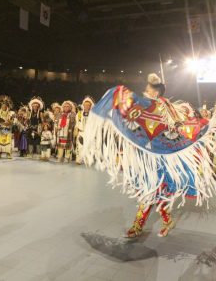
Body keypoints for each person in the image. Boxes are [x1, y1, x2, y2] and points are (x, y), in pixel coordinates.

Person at [82, 73, 216, 238]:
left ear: (157, 91)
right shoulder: (145, 106)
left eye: (150, 88)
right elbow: (132, 117)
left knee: (157, 192)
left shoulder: (165, 107)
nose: (147, 90)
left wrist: (181, 127)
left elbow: (178, 126)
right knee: (146, 191)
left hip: (161, 157)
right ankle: (145, 223)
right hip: (145, 157)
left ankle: (159, 222)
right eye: (147, 87)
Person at [74, 96, 94, 165]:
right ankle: (78, 159)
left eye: (88, 105)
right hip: (81, 132)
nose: (87, 106)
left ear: (90, 106)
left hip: (89, 133)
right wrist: (76, 130)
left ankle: (88, 160)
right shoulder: (79, 113)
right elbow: (77, 122)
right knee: (79, 147)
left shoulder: (93, 114)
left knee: (89, 147)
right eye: (85, 105)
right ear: (83, 105)